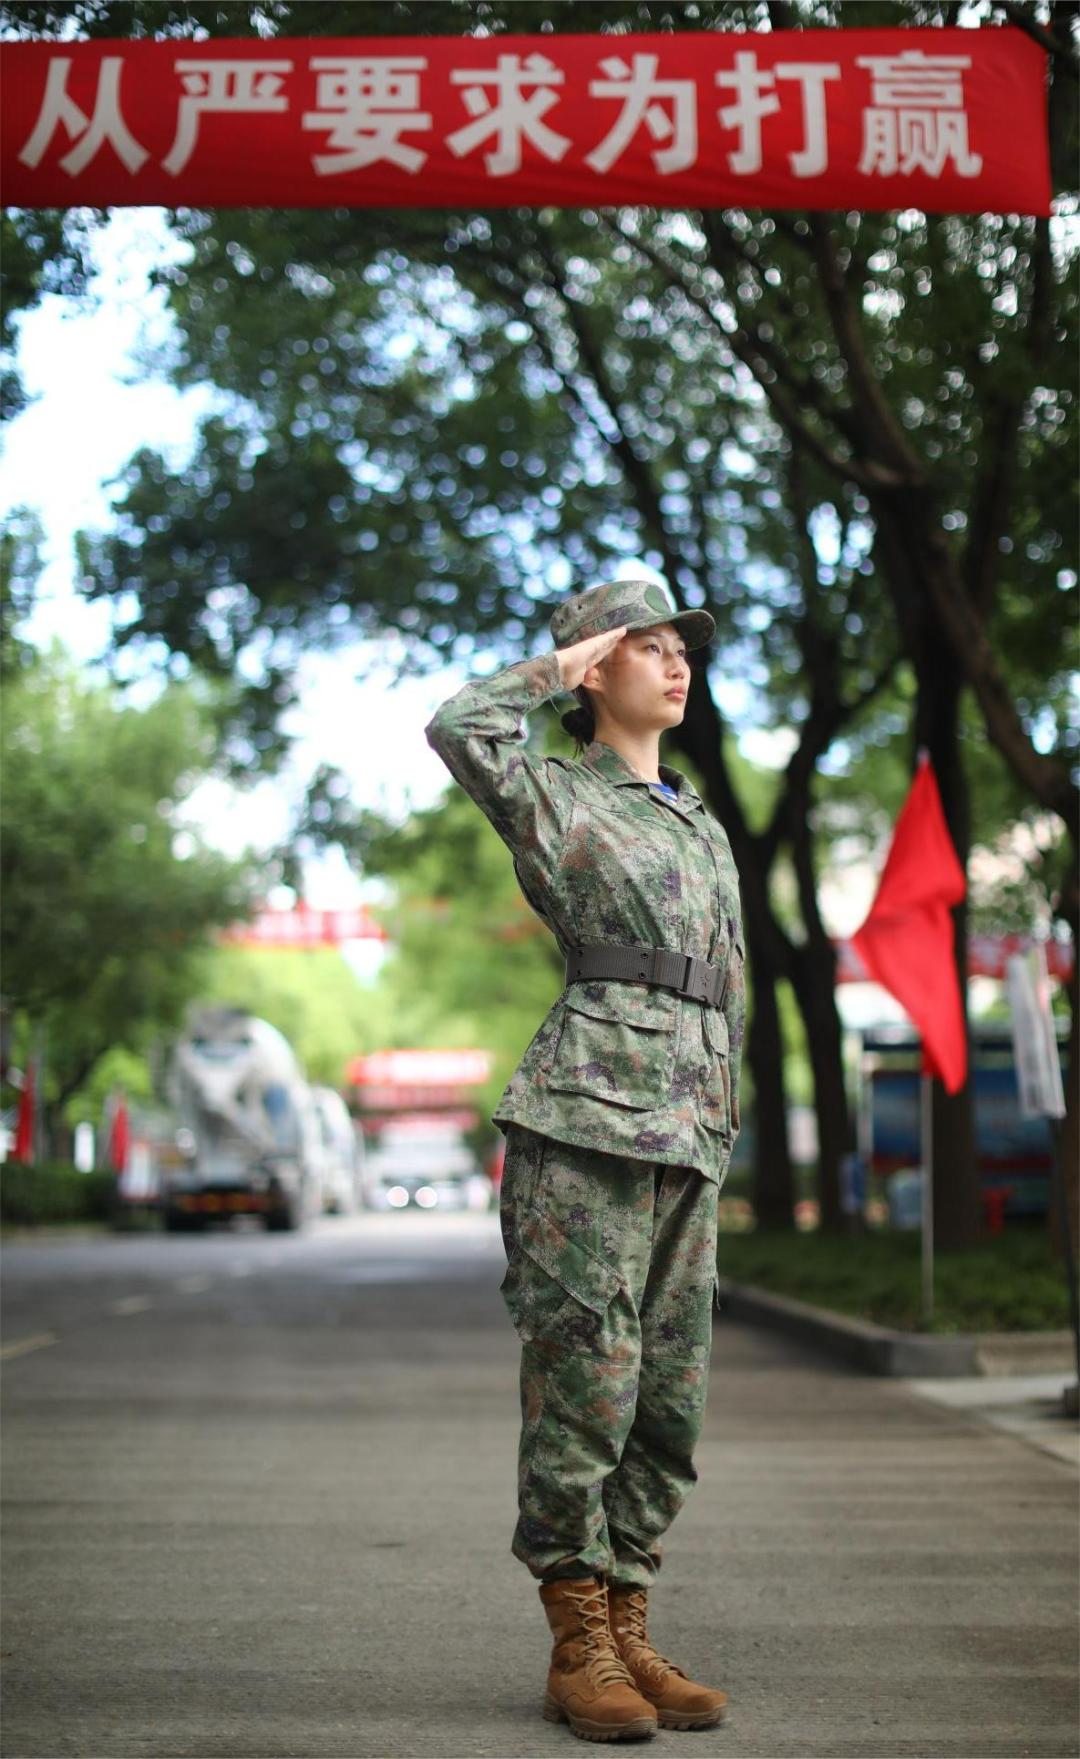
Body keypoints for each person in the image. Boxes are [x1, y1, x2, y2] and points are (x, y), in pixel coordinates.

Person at [424, 578, 745, 1743]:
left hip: (688, 1129)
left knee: (669, 1395)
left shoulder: (700, 817)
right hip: (587, 1120)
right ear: (596, 666)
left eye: (680, 650)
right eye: (645, 649)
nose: (674, 665)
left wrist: (724, 1116)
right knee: (588, 1380)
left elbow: (730, 984)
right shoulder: (554, 790)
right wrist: (557, 664)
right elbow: (460, 724)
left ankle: (630, 1624)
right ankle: (578, 1646)